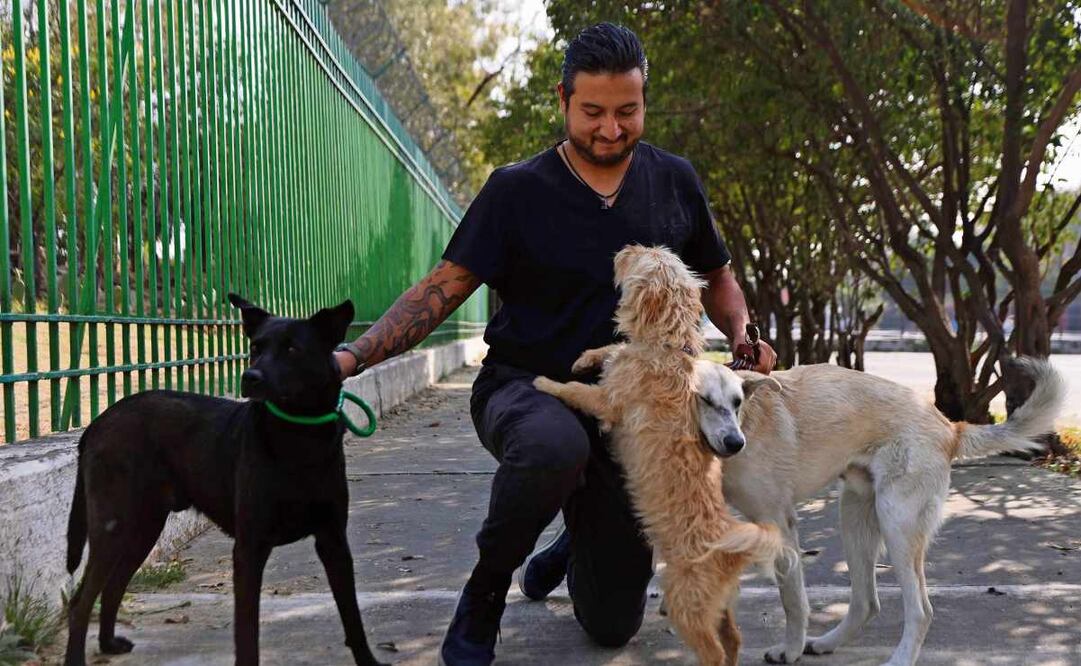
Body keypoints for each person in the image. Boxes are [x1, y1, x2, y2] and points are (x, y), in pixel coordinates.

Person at [331, 22, 777, 666]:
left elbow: (718, 279)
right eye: (593, 111)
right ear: (563, 100)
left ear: (644, 101)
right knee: (552, 447)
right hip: (525, 387)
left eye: (628, 111)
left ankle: (573, 539)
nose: (611, 128)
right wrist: (349, 358)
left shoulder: (675, 180)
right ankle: (483, 597)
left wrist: (742, 334)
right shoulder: (517, 189)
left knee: (613, 624)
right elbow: (442, 289)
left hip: (635, 410)